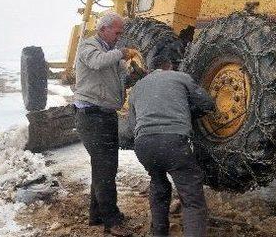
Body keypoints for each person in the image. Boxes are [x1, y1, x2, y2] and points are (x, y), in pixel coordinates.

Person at [128, 54, 216, 237]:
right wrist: (188, 114)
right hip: (174, 142)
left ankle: (159, 233)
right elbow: (207, 103)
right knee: (192, 200)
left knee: (159, 184)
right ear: (169, 66)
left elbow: (132, 125)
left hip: (144, 145)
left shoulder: (137, 87)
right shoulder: (180, 77)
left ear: (150, 69)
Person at [73, 12, 139, 237]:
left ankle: (97, 214)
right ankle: (111, 221)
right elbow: (97, 62)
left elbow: (118, 80)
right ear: (103, 29)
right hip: (92, 117)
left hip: (105, 116)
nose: (119, 37)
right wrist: (122, 53)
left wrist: (134, 76)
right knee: (105, 168)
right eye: (117, 32)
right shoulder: (88, 46)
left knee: (103, 167)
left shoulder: (111, 54)